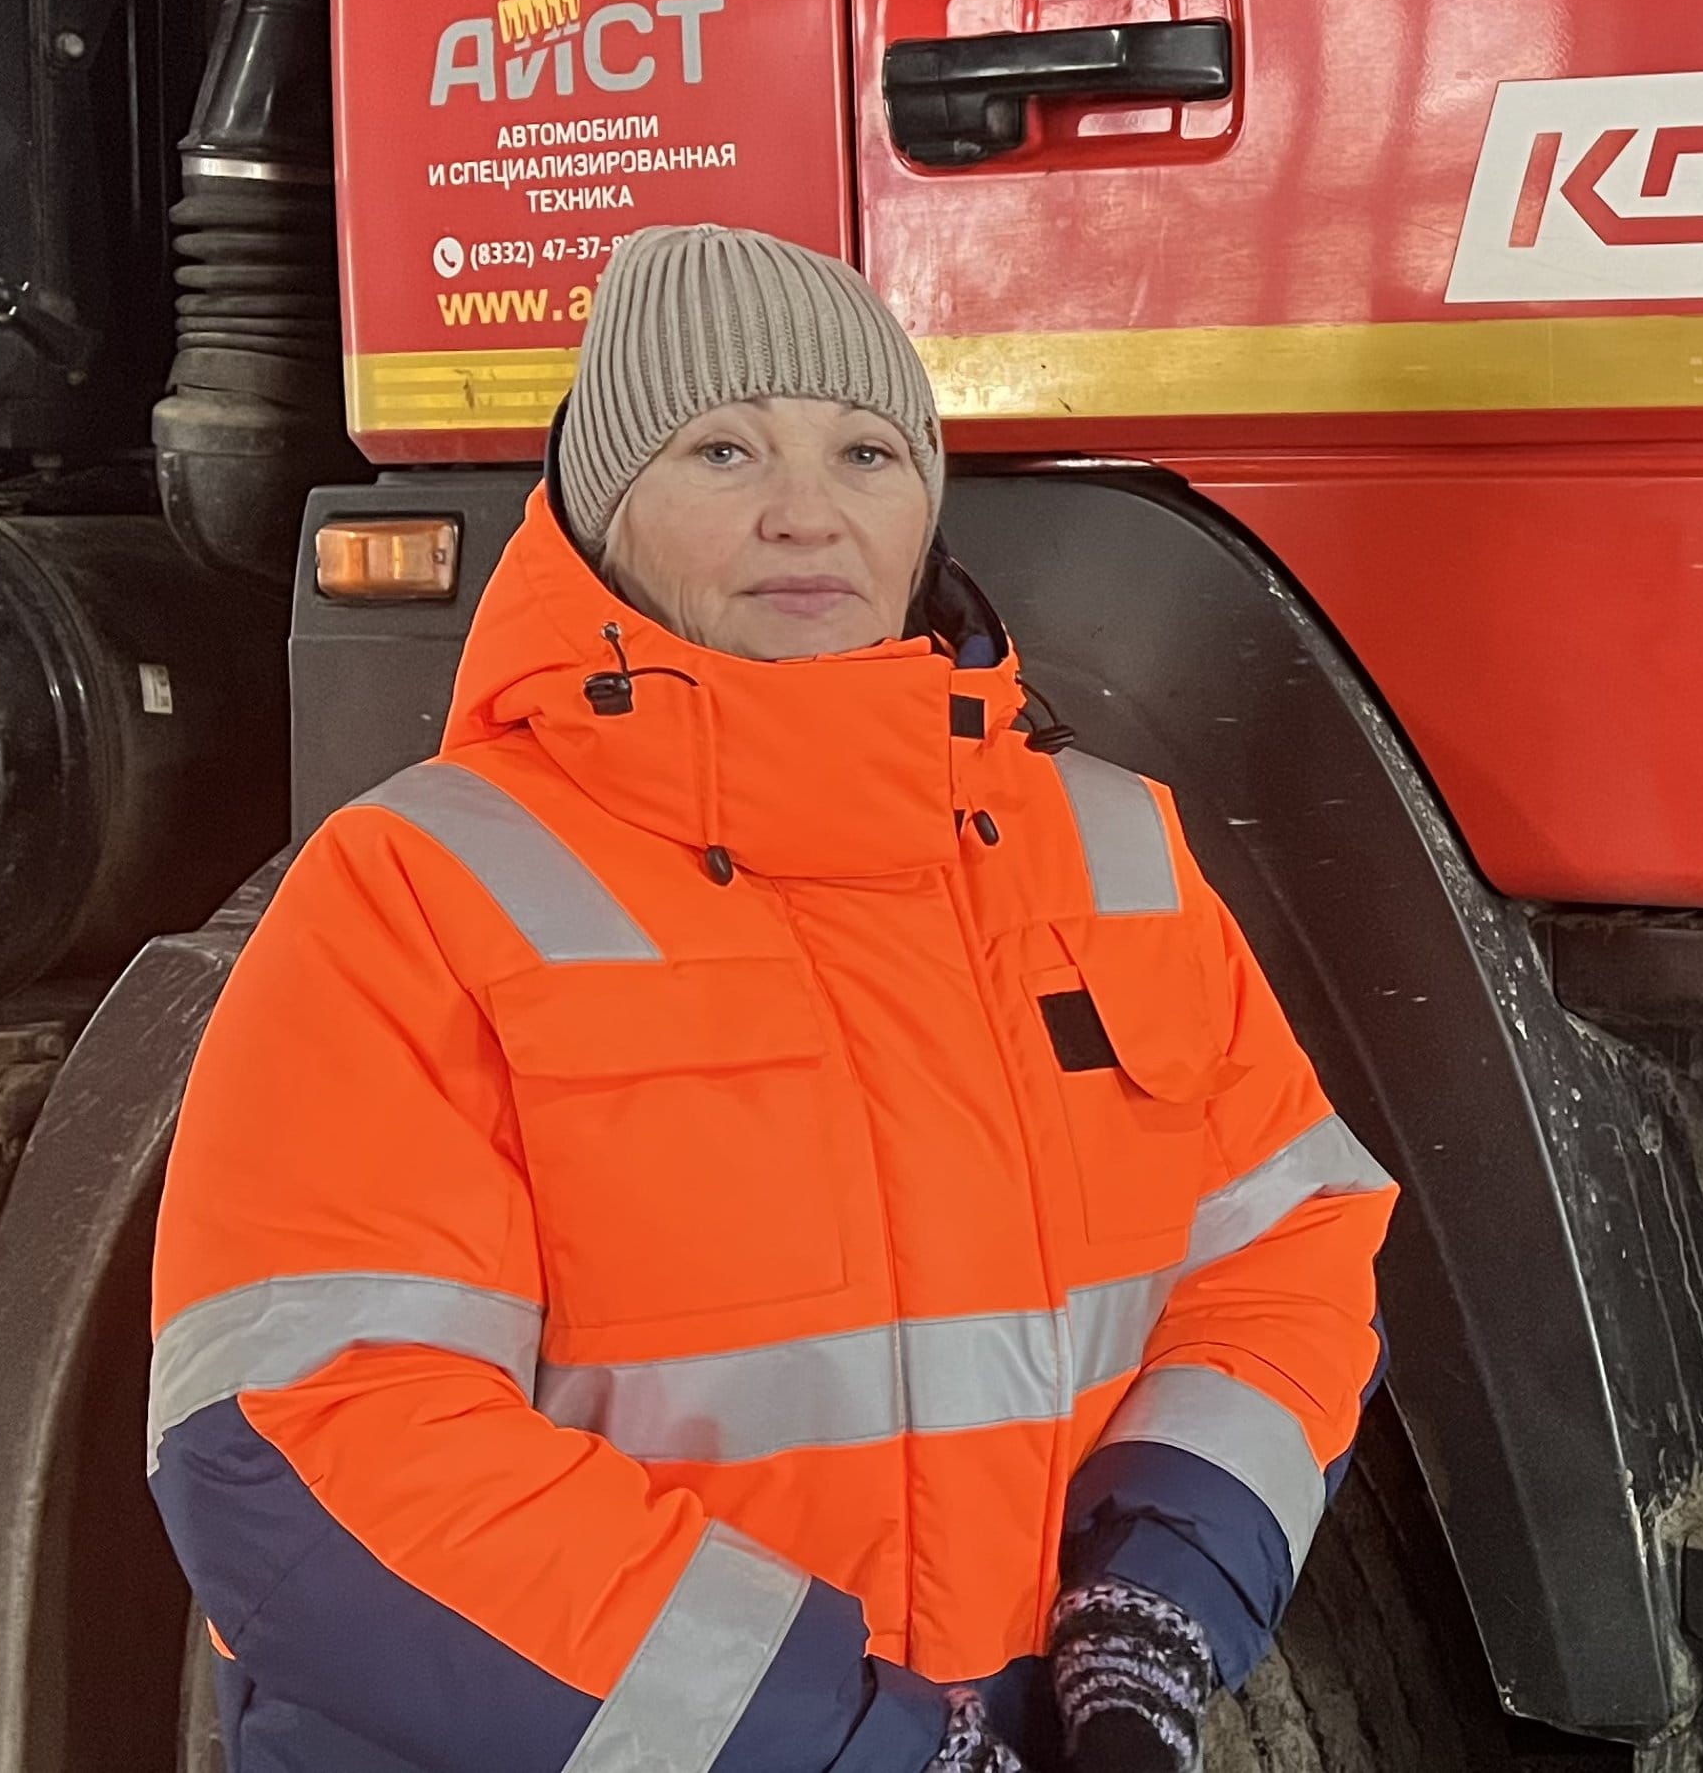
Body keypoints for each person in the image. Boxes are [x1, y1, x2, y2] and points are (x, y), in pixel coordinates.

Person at [145, 223, 1393, 1773]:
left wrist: (1153, 1610)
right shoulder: (416, 890)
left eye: (867, 451)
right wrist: (859, 1747)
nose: (808, 513)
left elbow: (1287, 1248)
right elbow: (309, 1438)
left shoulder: (1113, 852)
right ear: (601, 512)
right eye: (722, 449)